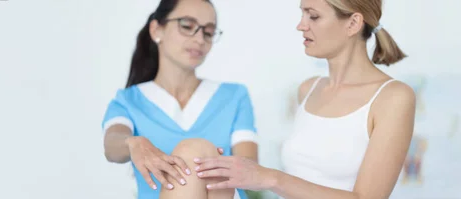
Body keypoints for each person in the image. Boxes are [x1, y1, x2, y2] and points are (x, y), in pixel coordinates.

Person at [191, 0, 416, 198]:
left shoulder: (393, 97)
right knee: (194, 152)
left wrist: (270, 178)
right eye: (302, 14)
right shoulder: (309, 89)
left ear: (353, 23)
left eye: (313, 16)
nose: (301, 25)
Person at [101, 0, 258, 198]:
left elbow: (250, 170)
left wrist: (207, 158)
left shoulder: (234, 96)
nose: (199, 38)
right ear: (156, 30)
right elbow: (112, 146)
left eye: (208, 32)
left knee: (195, 150)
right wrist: (134, 143)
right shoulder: (127, 101)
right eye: (187, 26)